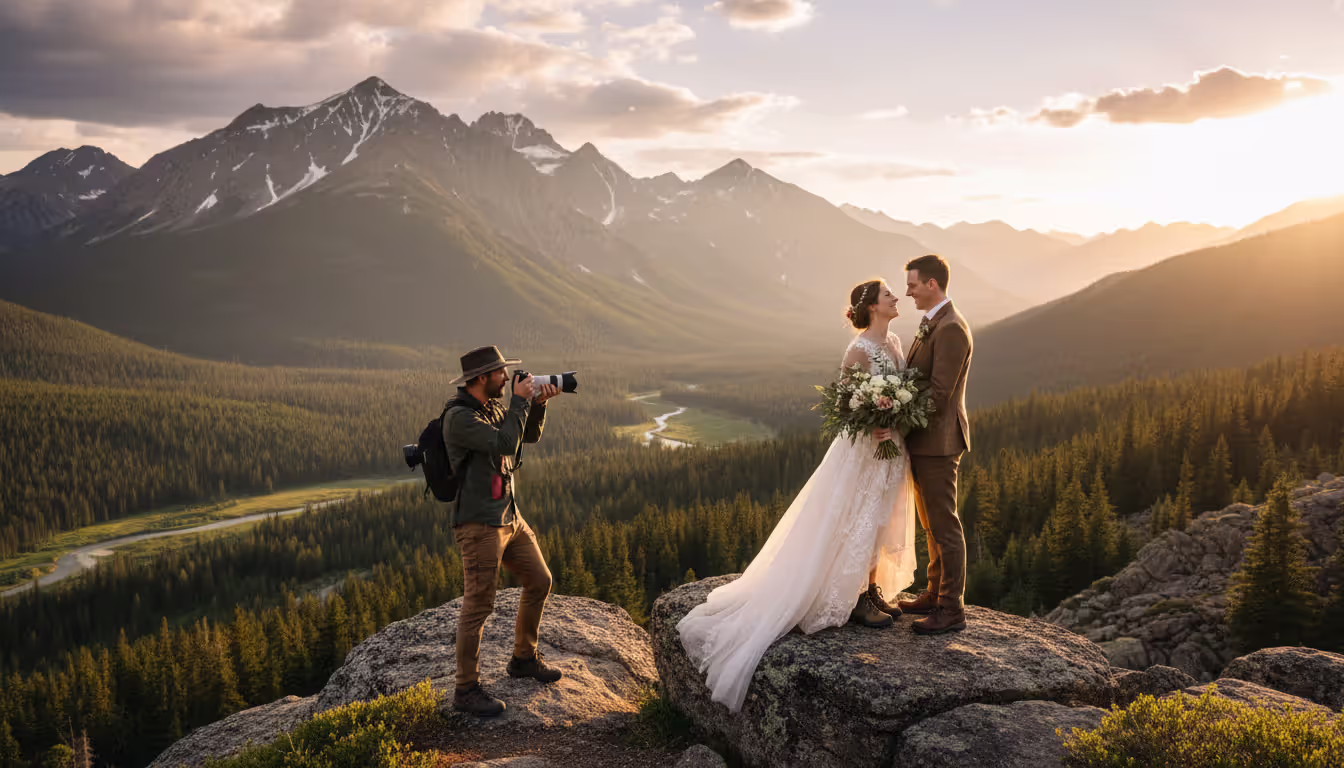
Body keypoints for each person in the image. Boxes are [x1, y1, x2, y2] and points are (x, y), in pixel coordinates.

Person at [676, 279, 917, 712]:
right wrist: (875, 419)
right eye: (888, 295)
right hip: (864, 448)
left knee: (879, 515)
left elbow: (901, 389)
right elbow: (845, 405)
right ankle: (857, 598)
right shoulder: (859, 350)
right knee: (855, 516)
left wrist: (896, 412)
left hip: (891, 445)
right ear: (873, 307)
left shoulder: (895, 340)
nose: (896, 298)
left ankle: (875, 587)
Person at [443, 345, 562, 717]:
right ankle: (466, 689)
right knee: (478, 605)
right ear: (481, 378)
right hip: (480, 525)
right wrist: (520, 402)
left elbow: (525, 438)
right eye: (500, 373)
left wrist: (537, 404)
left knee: (540, 580)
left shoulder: (493, 408)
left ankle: (524, 658)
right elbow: (503, 442)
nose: (507, 377)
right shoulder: (459, 418)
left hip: (509, 517)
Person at [899, 254, 974, 635]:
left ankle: (951, 609)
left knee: (944, 525)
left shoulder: (951, 329)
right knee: (930, 523)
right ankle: (933, 592)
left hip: (940, 443)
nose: (907, 292)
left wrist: (896, 417)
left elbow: (940, 393)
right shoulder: (934, 323)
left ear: (932, 284)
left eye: (912, 285)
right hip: (925, 440)